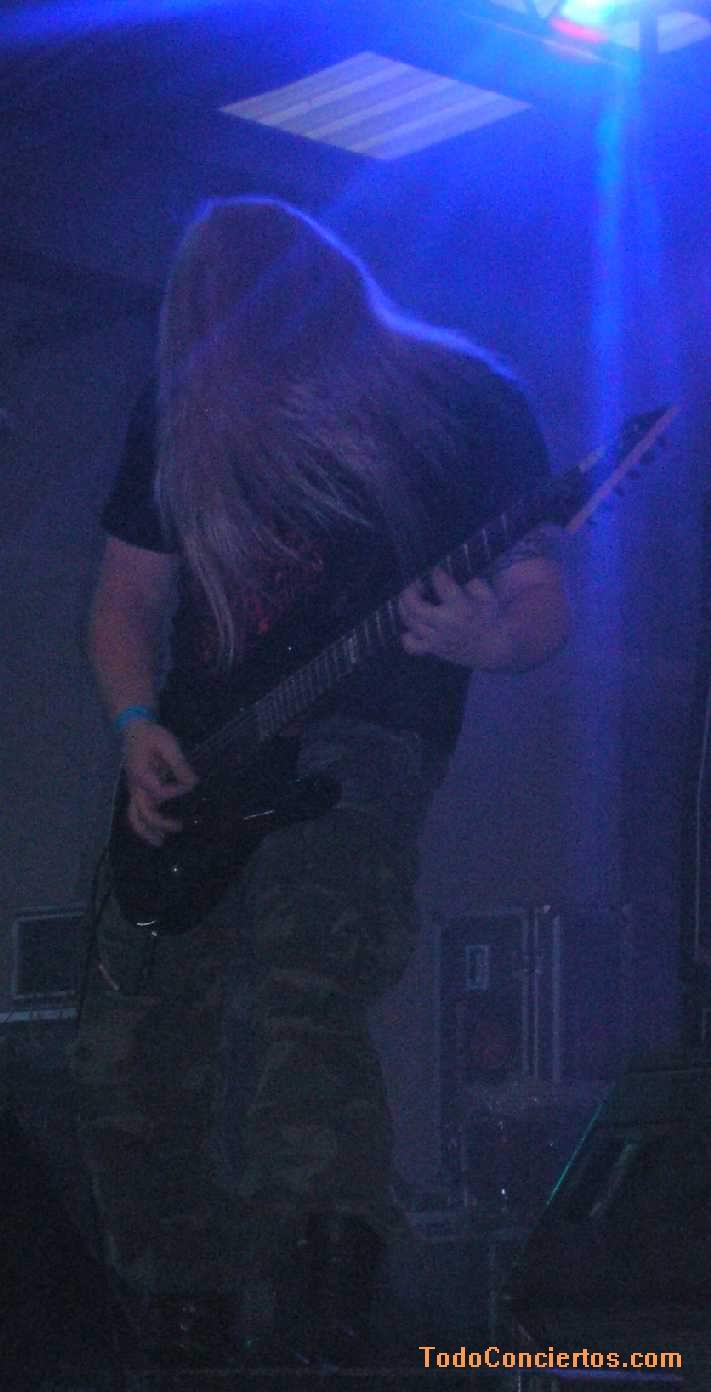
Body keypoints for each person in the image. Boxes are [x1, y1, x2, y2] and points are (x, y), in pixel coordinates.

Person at [73, 196, 570, 1368]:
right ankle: (181, 1304)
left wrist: (488, 640)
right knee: (127, 1036)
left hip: (367, 734)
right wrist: (136, 725)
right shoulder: (181, 411)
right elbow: (125, 601)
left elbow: (539, 598)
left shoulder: (461, 399)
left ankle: (326, 1284)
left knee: (297, 979)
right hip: (199, 753)